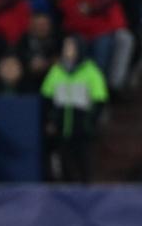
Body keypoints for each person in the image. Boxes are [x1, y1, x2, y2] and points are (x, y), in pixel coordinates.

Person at [40, 36, 107, 182]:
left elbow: (99, 100)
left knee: (84, 165)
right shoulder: (56, 70)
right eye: (65, 46)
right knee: (63, 166)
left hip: (82, 129)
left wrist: (89, 122)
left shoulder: (91, 71)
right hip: (61, 128)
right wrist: (51, 121)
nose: (67, 50)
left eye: (71, 46)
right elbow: (47, 98)